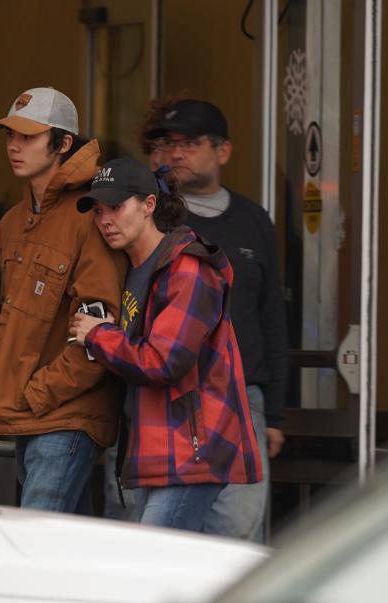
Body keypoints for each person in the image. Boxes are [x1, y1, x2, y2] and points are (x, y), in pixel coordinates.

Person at [69, 157, 261, 533]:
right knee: (173, 569)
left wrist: (98, 334)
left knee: (151, 564)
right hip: (157, 445)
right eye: (98, 210)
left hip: (191, 449)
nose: (105, 219)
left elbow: (163, 361)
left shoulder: (188, 267)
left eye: (117, 207)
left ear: (149, 205)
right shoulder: (132, 269)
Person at [0, 87, 126, 514]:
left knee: (36, 534)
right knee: (57, 545)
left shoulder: (91, 215)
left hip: (67, 414)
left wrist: (36, 394)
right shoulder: (11, 223)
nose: (13, 146)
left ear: (62, 144)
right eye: (9, 136)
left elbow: (100, 329)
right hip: (28, 414)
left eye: (27, 136)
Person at [146, 99, 288, 542]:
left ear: (223, 151)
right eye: (168, 143)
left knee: (238, 528)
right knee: (166, 533)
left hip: (243, 396)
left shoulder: (253, 221)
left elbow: (271, 317)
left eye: (189, 142)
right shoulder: (153, 217)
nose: (176, 153)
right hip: (172, 393)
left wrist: (275, 412)